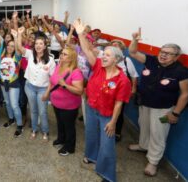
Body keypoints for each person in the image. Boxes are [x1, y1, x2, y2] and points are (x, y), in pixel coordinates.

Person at [73, 19, 131, 182]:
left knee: (107, 145)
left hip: (107, 115)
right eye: (103, 54)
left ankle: (107, 174)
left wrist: (113, 122)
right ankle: (91, 156)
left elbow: (119, 103)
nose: (103, 56)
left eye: (107, 55)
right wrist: (80, 34)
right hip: (92, 108)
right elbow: (86, 49)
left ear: (116, 59)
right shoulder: (98, 65)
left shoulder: (122, 80)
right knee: (91, 134)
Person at [127, 29, 188, 177]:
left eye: (168, 53)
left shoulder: (182, 71)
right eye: (162, 51)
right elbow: (133, 52)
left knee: (158, 134)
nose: (163, 54)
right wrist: (135, 39)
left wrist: (175, 113)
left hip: (163, 109)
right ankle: (143, 145)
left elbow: (185, 94)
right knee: (144, 126)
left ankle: (153, 161)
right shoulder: (151, 60)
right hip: (145, 103)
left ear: (176, 57)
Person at [15, 27, 55, 141]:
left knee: (42, 112)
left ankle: (45, 131)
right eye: (36, 43)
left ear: (45, 46)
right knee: (33, 110)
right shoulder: (30, 54)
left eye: (41, 43)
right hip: (30, 87)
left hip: (43, 89)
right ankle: (34, 129)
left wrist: (47, 92)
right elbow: (19, 47)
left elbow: (52, 79)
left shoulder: (50, 60)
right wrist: (19, 34)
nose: (38, 45)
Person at [49, 47, 84, 156]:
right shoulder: (59, 66)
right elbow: (53, 81)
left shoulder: (76, 72)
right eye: (62, 53)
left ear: (71, 58)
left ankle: (69, 147)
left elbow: (79, 91)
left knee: (69, 127)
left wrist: (65, 85)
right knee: (60, 123)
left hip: (69, 107)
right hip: (57, 103)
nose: (61, 56)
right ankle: (61, 139)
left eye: (65, 54)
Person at [110, 39, 139, 142]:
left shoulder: (127, 60)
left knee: (119, 112)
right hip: (109, 90)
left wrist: (134, 89)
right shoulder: (107, 58)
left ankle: (117, 132)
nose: (115, 47)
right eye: (112, 45)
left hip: (121, 91)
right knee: (107, 110)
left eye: (117, 45)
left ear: (122, 48)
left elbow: (134, 75)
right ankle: (107, 129)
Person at [1, 34, 23, 137]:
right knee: (7, 103)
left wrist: (16, 37)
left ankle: (19, 125)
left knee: (14, 105)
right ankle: (11, 119)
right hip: (3, 83)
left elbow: (19, 47)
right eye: (9, 45)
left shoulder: (17, 57)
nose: (10, 47)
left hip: (14, 84)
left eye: (12, 46)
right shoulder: (2, 55)